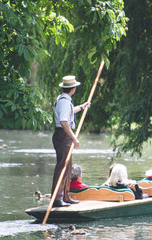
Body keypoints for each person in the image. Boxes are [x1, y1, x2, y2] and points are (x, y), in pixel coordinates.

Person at [51, 75, 90, 207]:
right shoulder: (64, 101)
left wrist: (82, 107)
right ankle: (57, 199)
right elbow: (63, 121)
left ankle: (65, 196)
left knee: (67, 168)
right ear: (73, 89)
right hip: (63, 136)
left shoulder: (63, 100)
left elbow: (69, 112)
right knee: (62, 167)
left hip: (63, 136)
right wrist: (74, 138)